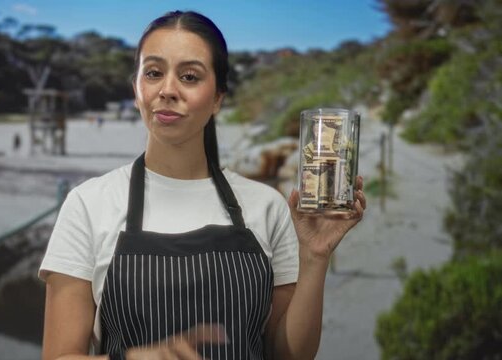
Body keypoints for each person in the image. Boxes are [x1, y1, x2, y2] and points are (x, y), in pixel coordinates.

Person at [39, 10, 366, 360]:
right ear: (136, 90)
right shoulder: (88, 204)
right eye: (153, 73)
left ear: (218, 98)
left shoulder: (266, 206)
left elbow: (288, 355)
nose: (167, 90)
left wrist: (314, 257)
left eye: (190, 76)